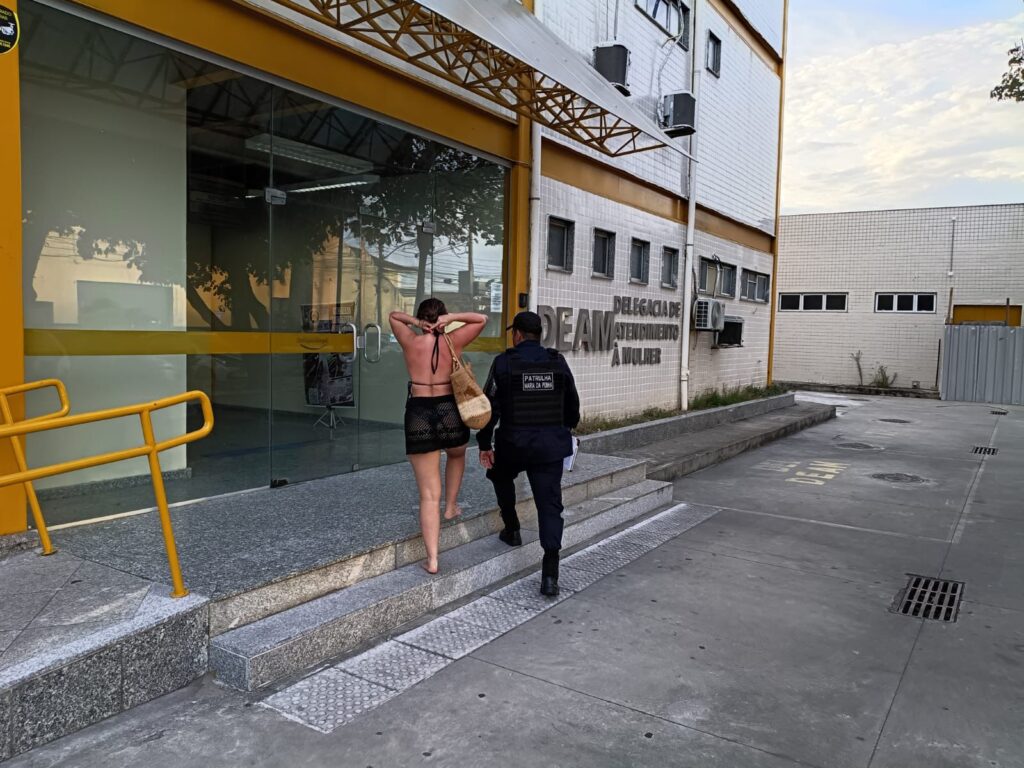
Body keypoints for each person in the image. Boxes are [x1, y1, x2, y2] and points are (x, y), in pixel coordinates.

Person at [477, 311, 580, 596]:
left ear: (518, 335)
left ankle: (512, 528)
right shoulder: (557, 362)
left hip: (514, 444)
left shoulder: (504, 363)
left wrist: (484, 444)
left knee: (499, 474)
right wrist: (564, 429)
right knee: (549, 506)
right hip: (549, 447)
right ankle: (550, 575)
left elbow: (489, 409)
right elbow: (572, 404)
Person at [390, 299, 488, 575]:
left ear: (422, 319)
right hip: (448, 408)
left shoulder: (411, 341)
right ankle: (452, 504)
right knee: (457, 452)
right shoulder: (453, 341)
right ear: (442, 318)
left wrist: (416, 323)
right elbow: (480, 319)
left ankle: (433, 559)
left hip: (419, 410)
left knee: (428, 495)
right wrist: (452, 318)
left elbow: (394, 316)